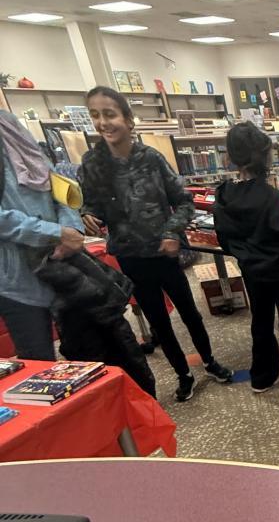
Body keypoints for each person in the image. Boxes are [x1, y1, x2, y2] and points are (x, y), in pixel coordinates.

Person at [79, 87, 232, 402]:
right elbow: (91, 204)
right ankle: (183, 375)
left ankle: (209, 361)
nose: (103, 122)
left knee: (190, 313)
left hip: (165, 253)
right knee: (159, 321)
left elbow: (184, 201)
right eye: (95, 115)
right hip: (130, 256)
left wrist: (172, 232)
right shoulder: (92, 163)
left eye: (109, 114)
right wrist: (87, 214)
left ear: (128, 119)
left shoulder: (151, 158)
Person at [214, 122, 279, 407]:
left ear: (230, 157)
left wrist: (245, 255)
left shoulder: (223, 196)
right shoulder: (274, 199)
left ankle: (262, 377)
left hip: (250, 270)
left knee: (260, 321)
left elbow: (223, 238)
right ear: (266, 157)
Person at [0, 111, 85, 360]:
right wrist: (53, 233)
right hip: (18, 279)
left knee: (89, 351)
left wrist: (72, 228)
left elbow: (58, 185)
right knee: (40, 363)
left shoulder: (11, 125)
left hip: (62, 265)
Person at [37, 248, 156, 396]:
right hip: (73, 312)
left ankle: (148, 403)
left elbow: (73, 241)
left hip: (99, 302)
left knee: (131, 363)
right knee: (99, 372)